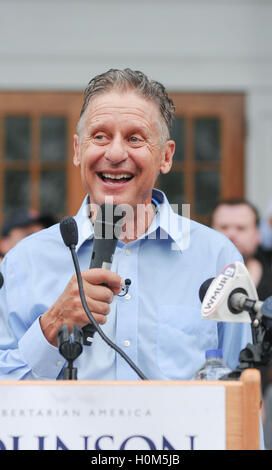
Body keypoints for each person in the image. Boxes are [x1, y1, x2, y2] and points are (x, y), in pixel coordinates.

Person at [0, 69, 252, 382]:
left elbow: (243, 394)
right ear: (78, 150)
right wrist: (52, 324)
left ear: (166, 157)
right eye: (100, 136)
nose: (116, 153)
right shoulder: (24, 261)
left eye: (135, 138)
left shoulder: (216, 257)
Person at [211, 199, 272, 302]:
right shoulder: (195, 276)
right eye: (224, 227)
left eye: (241, 228)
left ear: (258, 234)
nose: (231, 234)